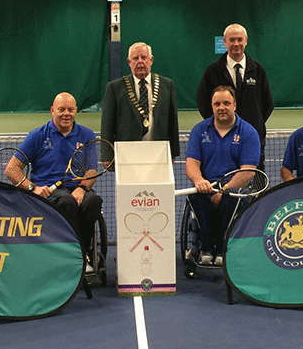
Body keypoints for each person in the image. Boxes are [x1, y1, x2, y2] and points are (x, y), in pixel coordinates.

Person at [4, 92, 102, 269]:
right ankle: (70, 256)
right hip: (48, 191)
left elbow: (91, 170)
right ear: (52, 111)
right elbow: (11, 169)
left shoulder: (87, 135)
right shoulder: (37, 136)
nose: (66, 113)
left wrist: (82, 189)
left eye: (70, 109)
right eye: (61, 109)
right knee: (67, 202)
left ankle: (83, 253)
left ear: (76, 111)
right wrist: (32, 188)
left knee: (93, 201)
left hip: (77, 187)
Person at [186, 86, 260, 266]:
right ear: (212, 107)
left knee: (230, 200)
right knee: (195, 197)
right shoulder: (199, 130)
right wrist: (199, 181)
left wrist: (225, 189)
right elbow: (192, 164)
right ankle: (206, 248)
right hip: (207, 187)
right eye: (217, 104)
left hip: (233, 189)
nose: (222, 107)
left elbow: (248, 171)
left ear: (234, 105)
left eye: (226, 103)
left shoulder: (249, 132)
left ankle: (221, 248)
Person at [196, 24, 273, 169]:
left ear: (246, 41)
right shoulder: (212, 71)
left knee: (254, 183)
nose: (236, 44)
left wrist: (253, 123)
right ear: (224, 42)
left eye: (240, 39)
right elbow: (203, 102)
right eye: (231, 40)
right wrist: (218, 123)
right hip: (220, 138)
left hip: (253, 138)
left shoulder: (259, 70)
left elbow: (268, 104)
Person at [101, 42, 180, 158]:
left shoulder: (167, 85)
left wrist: (173, 153)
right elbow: (107, 124)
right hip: (127, 153)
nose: (140, 62)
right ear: (129, 62)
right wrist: (106, 155)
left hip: (159, 151)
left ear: (151, 60)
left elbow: (173, 122)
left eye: (144, 57)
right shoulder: (115, 88)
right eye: (135, 58)